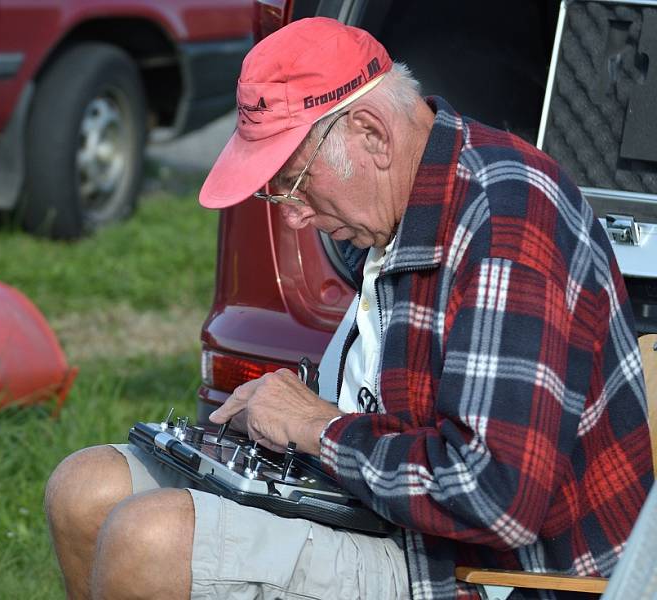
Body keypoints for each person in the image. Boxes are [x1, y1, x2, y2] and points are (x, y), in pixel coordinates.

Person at [44, 17, 654, 600]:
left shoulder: (509, 217)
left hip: (486, 572)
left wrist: (316, 426)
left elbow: (493, 494)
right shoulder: (392, 205)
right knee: (84, 489)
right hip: (385, 513)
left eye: (295, 180)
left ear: (371, 134)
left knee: (150, 543)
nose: (292, 214)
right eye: (275, 190)